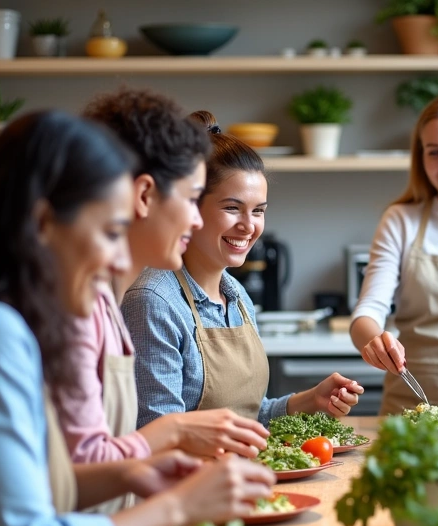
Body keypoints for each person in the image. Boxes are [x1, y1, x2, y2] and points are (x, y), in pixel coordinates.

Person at [0, 111, 276, 526]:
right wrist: (178, 507)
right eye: (112, 232)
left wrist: (129, 474)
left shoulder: (13, 323)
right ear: (46, 223)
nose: (119, 257)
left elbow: (40, 488)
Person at [52, 89, 268, 496]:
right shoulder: (97, 307)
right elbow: (65, 480)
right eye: (191, 198)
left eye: (258, 210)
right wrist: (175, 431)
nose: (194, 218)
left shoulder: (101, 302)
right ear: (143, 195)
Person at [123, 111, 363, 427]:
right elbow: (156, 434)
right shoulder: (154, 301)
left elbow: (247, 414)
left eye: (258, 211)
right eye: (232, 208)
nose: (248, 226)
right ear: (191, 208)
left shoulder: (236, 297)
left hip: (241, 470)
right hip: (193, 476)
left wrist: (307, 400)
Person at [350, 93, 438, 415]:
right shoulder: (401, 220)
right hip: (410, 405)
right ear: (421, 158)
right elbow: (368, 312)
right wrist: (374, 340)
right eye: (435, 152)